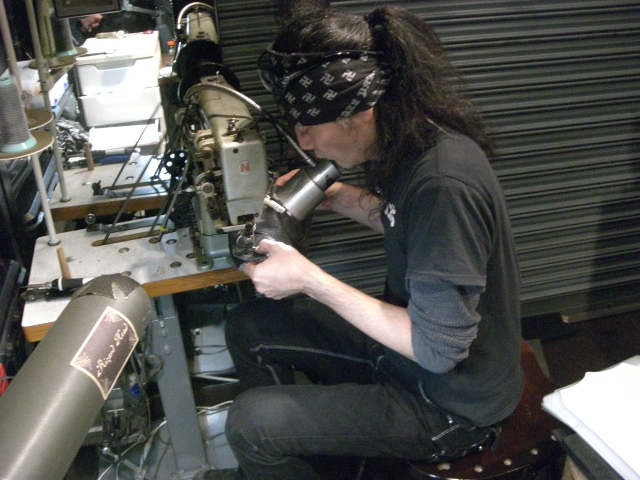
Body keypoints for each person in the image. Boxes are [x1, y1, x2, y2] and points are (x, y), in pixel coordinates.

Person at [218, 5, 524, 480]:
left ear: (360, 112)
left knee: (250, 424)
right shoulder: (412, 144)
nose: (305, 142)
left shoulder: (444, 183)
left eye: (308, 127)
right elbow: (411, 227)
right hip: (405, 360)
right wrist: (342, 198)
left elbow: (440, 349)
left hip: (450, 404)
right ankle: (304, 457)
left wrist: (310, 280)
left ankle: (286, 450)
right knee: (248, 325)